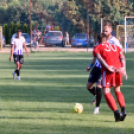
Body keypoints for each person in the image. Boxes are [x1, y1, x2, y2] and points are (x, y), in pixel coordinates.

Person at [86, 21, 127, 115]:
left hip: (106, 69)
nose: (105, 33)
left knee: (101, 88)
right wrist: (91, 65)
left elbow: (120, 54)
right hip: (97, 67)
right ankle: (97, 97)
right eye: (104, 31)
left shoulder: (115, 42)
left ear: (111, 31)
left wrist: (122, 67)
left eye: (106, 31)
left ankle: (97, 108)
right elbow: (97, 55)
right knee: (89, 86)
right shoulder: (101, 40)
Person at [93, 33, 127, 122]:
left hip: (109, 71)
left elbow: (99, 57)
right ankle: (124, 111)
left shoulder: (98, 47)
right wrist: (123, 68)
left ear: (98, 40)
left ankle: (116, 113)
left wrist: (107, 66)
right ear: (107, 39)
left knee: (106, 92)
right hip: (119, 69)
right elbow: (122, 56)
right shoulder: (115, 47)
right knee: (117, 90)